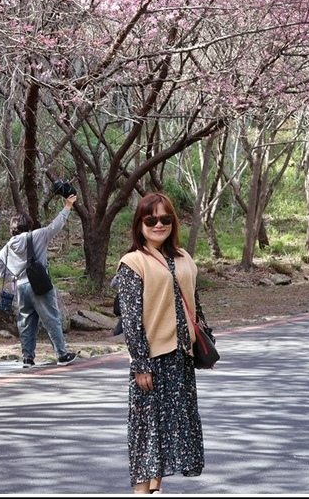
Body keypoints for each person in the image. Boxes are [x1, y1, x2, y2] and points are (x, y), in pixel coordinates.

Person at [115, 192, 206, 494]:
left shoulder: (183, 258)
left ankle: (157, 488)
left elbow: (195, 302)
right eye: (151, 219)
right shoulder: (133, 262)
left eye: (165, 218)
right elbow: (130, 320)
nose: (158, 224)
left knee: (169, 431)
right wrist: (141, 362)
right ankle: (141, 491)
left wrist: (203, 337)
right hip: (152, 360)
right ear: (139, 223)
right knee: (147, 431)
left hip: (181, 357)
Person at [0, 194, 78, 368]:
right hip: (39, 285)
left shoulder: (8, 246)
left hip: (21, 287)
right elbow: (56, 225)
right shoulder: (37, 235)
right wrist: (68, 206)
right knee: (51, 318)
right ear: (28, 224)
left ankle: (27, 359)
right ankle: (61, 355)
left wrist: (11, 277)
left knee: (25, 322)